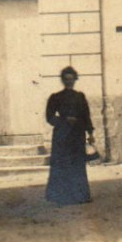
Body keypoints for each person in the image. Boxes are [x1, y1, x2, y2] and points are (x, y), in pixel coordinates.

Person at [44, 66, 95, 205]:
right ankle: (61, 196)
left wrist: (90, 133)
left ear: (75, 80)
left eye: (71, 79)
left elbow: (86, 116)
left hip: (77, 135)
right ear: (62, 81)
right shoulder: (56, 97)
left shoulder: (80, 97)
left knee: (77, 164)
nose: (69, 82)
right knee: (62, 165)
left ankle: (80, 195)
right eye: (66, 80)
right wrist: (63, 120)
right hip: (62, 136)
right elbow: (49, 117)